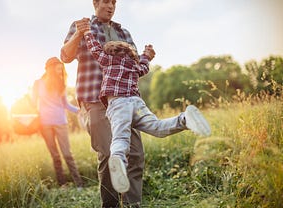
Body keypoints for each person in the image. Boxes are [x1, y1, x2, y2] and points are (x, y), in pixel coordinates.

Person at [82, 31, 211, 193]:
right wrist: (146, 55)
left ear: (110, 52)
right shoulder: (134, 65)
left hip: (118, 103)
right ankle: (184, 119)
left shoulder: (108, 59)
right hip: (136, 103)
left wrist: (88, 33)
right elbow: (144, 65)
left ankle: (118, 160)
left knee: (120, 136)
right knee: (158, 127)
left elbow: (95, 50)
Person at [60, 1, 154, 208]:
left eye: (113, 2)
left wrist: (146, 56)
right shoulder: (82, 26)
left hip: (125, 101)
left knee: (136, 154)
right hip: (94, 99)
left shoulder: (124, 32)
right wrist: (78, 34)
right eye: (105, 1)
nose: (110, 6)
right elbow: (65, 56)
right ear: (95, 3)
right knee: (110, 155)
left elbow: (134, 65)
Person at [31, 57, 83, 189]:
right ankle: (62, 184)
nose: (60, 72)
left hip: (61, 122)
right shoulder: (38, 84)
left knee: (67, 154)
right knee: (55, 156)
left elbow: (66, 104)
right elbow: (33, 103)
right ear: (50, 68)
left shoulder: (61, 84)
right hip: (44, 124)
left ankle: (79, 184)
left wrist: (80, 110)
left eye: (61, 69)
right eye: (58, 69)